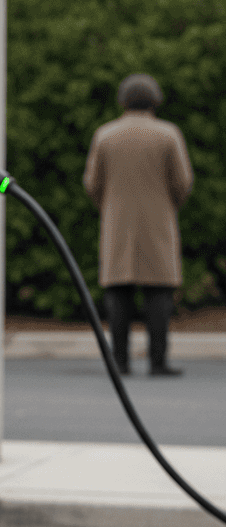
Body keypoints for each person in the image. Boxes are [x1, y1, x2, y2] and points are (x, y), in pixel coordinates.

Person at [83, 74, 193, 376]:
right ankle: (158, 361)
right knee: (159, 293)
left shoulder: (105, 135)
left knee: (118, 293)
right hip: (158, 223)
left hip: (117, 223)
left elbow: (93, 183)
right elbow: (182, 182)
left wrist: (107, 206)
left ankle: (120, 361)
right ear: (155, 100)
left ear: (122, 99)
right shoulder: (168, 135)